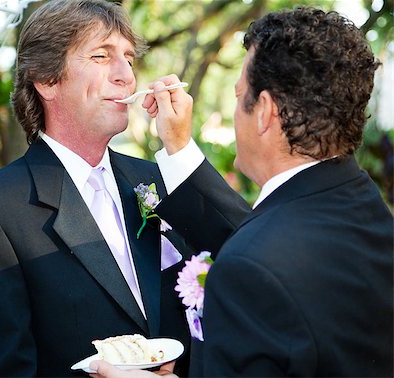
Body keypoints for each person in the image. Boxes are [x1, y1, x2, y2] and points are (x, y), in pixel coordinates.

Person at [0, 1, 249, 377]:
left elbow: (253, 257)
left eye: (130, 59)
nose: (126, 76)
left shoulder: (159, 181)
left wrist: (181, 150)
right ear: (45, 78)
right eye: (102, 56)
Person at [90, 6, 394, 378]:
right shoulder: (369, 211)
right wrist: (178, 148)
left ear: (264, 111)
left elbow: (261, 257)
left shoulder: (250, 269)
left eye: (238, 96)